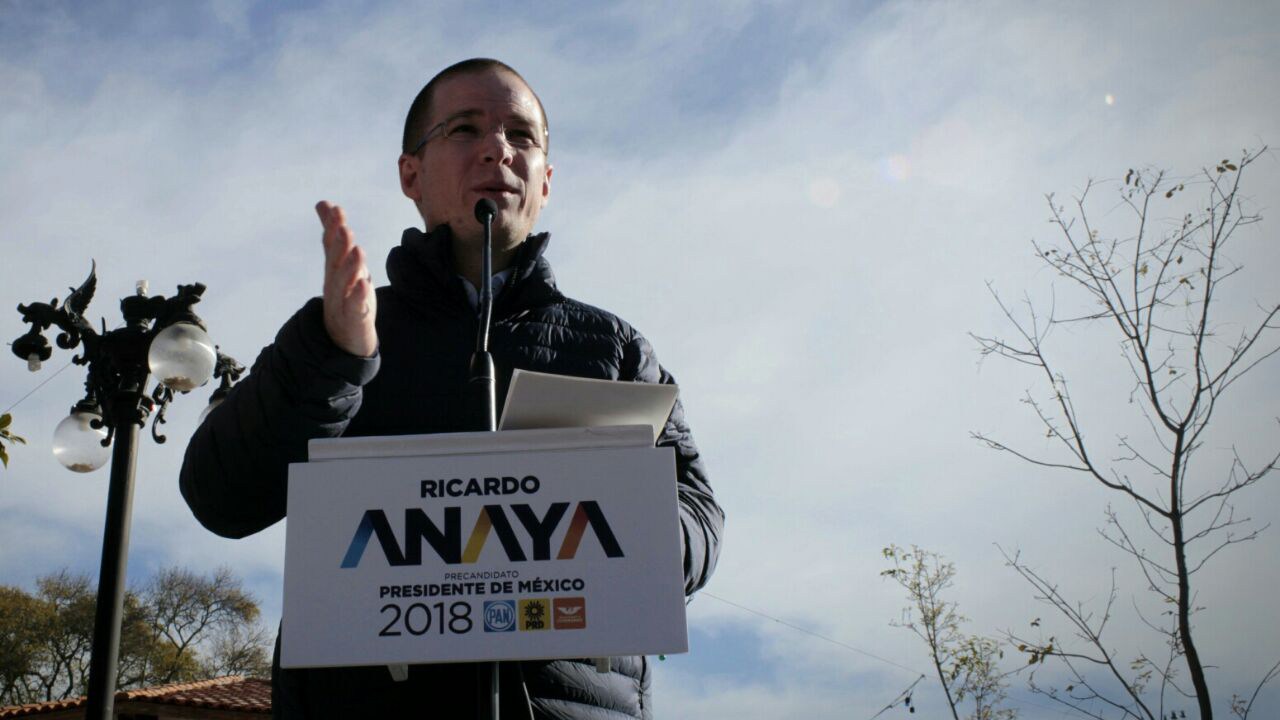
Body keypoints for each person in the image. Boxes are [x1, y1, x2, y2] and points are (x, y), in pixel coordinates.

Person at [179, 58, 723, 719]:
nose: (498, 149)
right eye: (465, 129)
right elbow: (220, 497)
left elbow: (698, 511)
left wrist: (634, 531)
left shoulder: (614, 348)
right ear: (410, 174)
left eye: (521, 136)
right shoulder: (340, 333)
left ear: (546, 180)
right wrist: (334, 358)